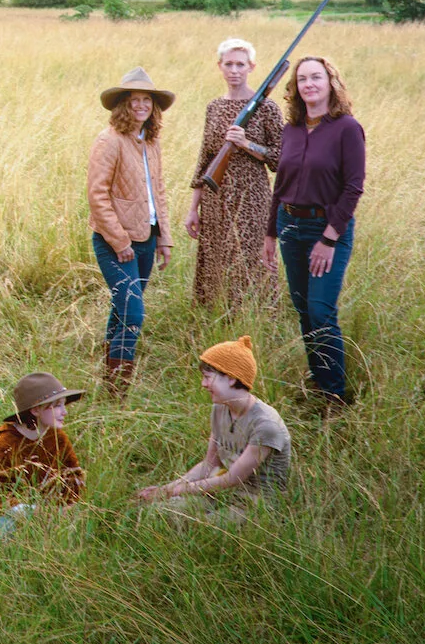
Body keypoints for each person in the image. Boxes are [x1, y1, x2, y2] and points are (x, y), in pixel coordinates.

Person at [263, 54, 365, 404]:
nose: (309, 84)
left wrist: (328, 239)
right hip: (290, 225)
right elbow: (281, 182)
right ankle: (320, 384)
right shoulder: (290, 129)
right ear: (295, 87)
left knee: (321, 310)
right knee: (304, 309)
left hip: (327, 230)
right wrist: (270, 233)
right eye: (302, 79)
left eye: (316, 77)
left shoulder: (346, 128)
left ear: (330, 83)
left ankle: (335, 396)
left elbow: (353, 187)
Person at [87, 67, 175, 391]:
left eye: (147, 100)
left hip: (147, 238)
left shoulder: (150, 141)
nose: (141, 106)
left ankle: (109, 379)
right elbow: (97, 195)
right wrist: (119, 239)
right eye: (135, 100)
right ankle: (119, 389)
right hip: (115, 241)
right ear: (124, 104)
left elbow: (159, 190)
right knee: (134, 313)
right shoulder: (108, 140)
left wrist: (165, 237)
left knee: (123, 309)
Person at [135, 335, 292, 509]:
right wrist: (165, 489)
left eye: (208, 377)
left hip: (256, 503)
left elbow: (232, 478)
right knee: (158, 511)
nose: (203, 384)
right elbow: (209, 465)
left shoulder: (266, 425)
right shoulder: (220, 409)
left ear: (232, 378)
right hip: (221, 491)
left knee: (182, 520)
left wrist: (175, 491)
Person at [185, 37, 284, 308]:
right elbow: (205, 159)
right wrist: (194, 208)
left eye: (241, 64)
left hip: (252, 201)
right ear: (219, 66)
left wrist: (247, 144)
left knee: (251, 262)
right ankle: (216, 319)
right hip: (215, 200)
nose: (234, 70)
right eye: (228, 64)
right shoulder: (214, 107)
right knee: (216, 260)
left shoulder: (267, 108)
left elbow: (281, 160)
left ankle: (258, 320)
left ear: (252, 67)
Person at [0, 371, 86, 528]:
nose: (64, 412)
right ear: (35, 410)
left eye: (64, 404)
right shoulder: (4, 446)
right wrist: (30, 511)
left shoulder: (58, 438)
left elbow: (74, 486)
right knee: (4, 525)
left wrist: (63, 511)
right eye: (57, 406)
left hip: (50, 515)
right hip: (2, 519)